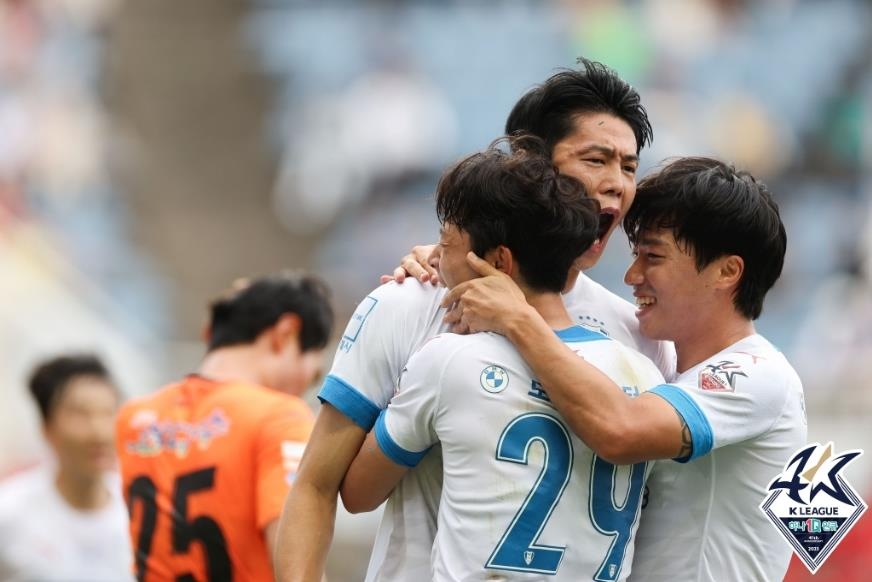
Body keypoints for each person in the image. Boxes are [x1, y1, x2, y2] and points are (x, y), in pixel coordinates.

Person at [275, 57, 673, 582]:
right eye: (596, 160)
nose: (617, 185)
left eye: (628, 166)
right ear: (531, 166)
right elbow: (319, 486)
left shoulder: (638, 336)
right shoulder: (409, 303)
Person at [442, 156, 807, 581]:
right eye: (635, 255)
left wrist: (518, 318)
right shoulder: (665, 370)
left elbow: (620, 431)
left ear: (727, 271)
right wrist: (450, 256)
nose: (632, 275)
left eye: (653, 256)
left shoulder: (758, 374)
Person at [340, 138, 665, 580]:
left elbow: (358, 493)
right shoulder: (642, 371)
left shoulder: (448, 360)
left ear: (498, 262)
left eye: (445, 243)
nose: (434, 258)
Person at [115, 272, 333, 582]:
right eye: (313, 374)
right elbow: (296, 568)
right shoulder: (279, 416)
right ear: (285, 333)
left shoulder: (134, 420)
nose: (306, 387)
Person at [0, 354, 133, 581]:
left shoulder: (141, 510)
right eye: (81, 414)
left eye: (108, 412)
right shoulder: (9, 514)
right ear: (47, 426)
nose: (99, 432)